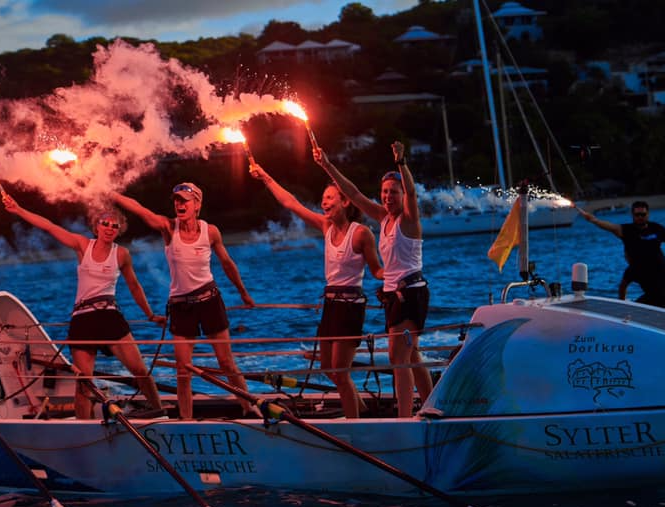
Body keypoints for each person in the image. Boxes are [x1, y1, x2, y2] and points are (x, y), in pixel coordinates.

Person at [2, 193, 164, 419]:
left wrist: (150, 315)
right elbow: (49, 226)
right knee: (84, 382)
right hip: (83, 319)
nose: (109, 228)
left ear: (119, 230)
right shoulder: (82, 245)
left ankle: (158, 411)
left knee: (139, 370)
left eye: (114, 226)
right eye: (105, 223)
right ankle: (83, 426)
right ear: (96, 226)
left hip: (109, 317)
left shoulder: (122, 254)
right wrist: (19, 210)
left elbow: (135, 287)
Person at [110, 182, 257, 419]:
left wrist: (243, 292)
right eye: (176, 200)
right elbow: (140, 210)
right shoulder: (168, 227)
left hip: (210, 301)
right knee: (182, 370)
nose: (179, 204)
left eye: (184, 200)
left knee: (226, 363)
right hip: (181, 306)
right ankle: (186, 421)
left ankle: (250, 408)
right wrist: (112, 193)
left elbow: (227, 264)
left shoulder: (211, 232)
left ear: (197, 204)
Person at [249, 162, 383, 418]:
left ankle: (355, 424)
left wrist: (396, 277)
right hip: (331, 305)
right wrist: (265, 176)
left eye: (330, 197)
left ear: (345, 202)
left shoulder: (361, 234)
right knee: (327, 368)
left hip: (351, 306)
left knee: (340, 372)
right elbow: (292, 204)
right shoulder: (326, 227)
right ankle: (361, 406)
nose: (324, 202)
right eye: (323, 198)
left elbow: (377, 270)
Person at [315, 141, 433, 418]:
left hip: (410, 293)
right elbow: (353, 193)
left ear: (402, 195)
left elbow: (414, 193)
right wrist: (327, 165)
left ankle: (404, 419)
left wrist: (401, 163)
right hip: (393, 295)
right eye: (384, 192)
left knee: (398, 358)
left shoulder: (408, 219)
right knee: (412, 355)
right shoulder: (382, 219)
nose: (388, 197)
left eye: (393, 192)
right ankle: (430, 405)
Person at [577, 201, 665, 309]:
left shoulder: (656, 228)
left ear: (648, 214)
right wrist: (593, 220)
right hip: (649, 277)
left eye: (643, 214)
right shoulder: (626, 231)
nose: (640, 217)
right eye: (637, 214)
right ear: (633, 215)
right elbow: (608, 226)